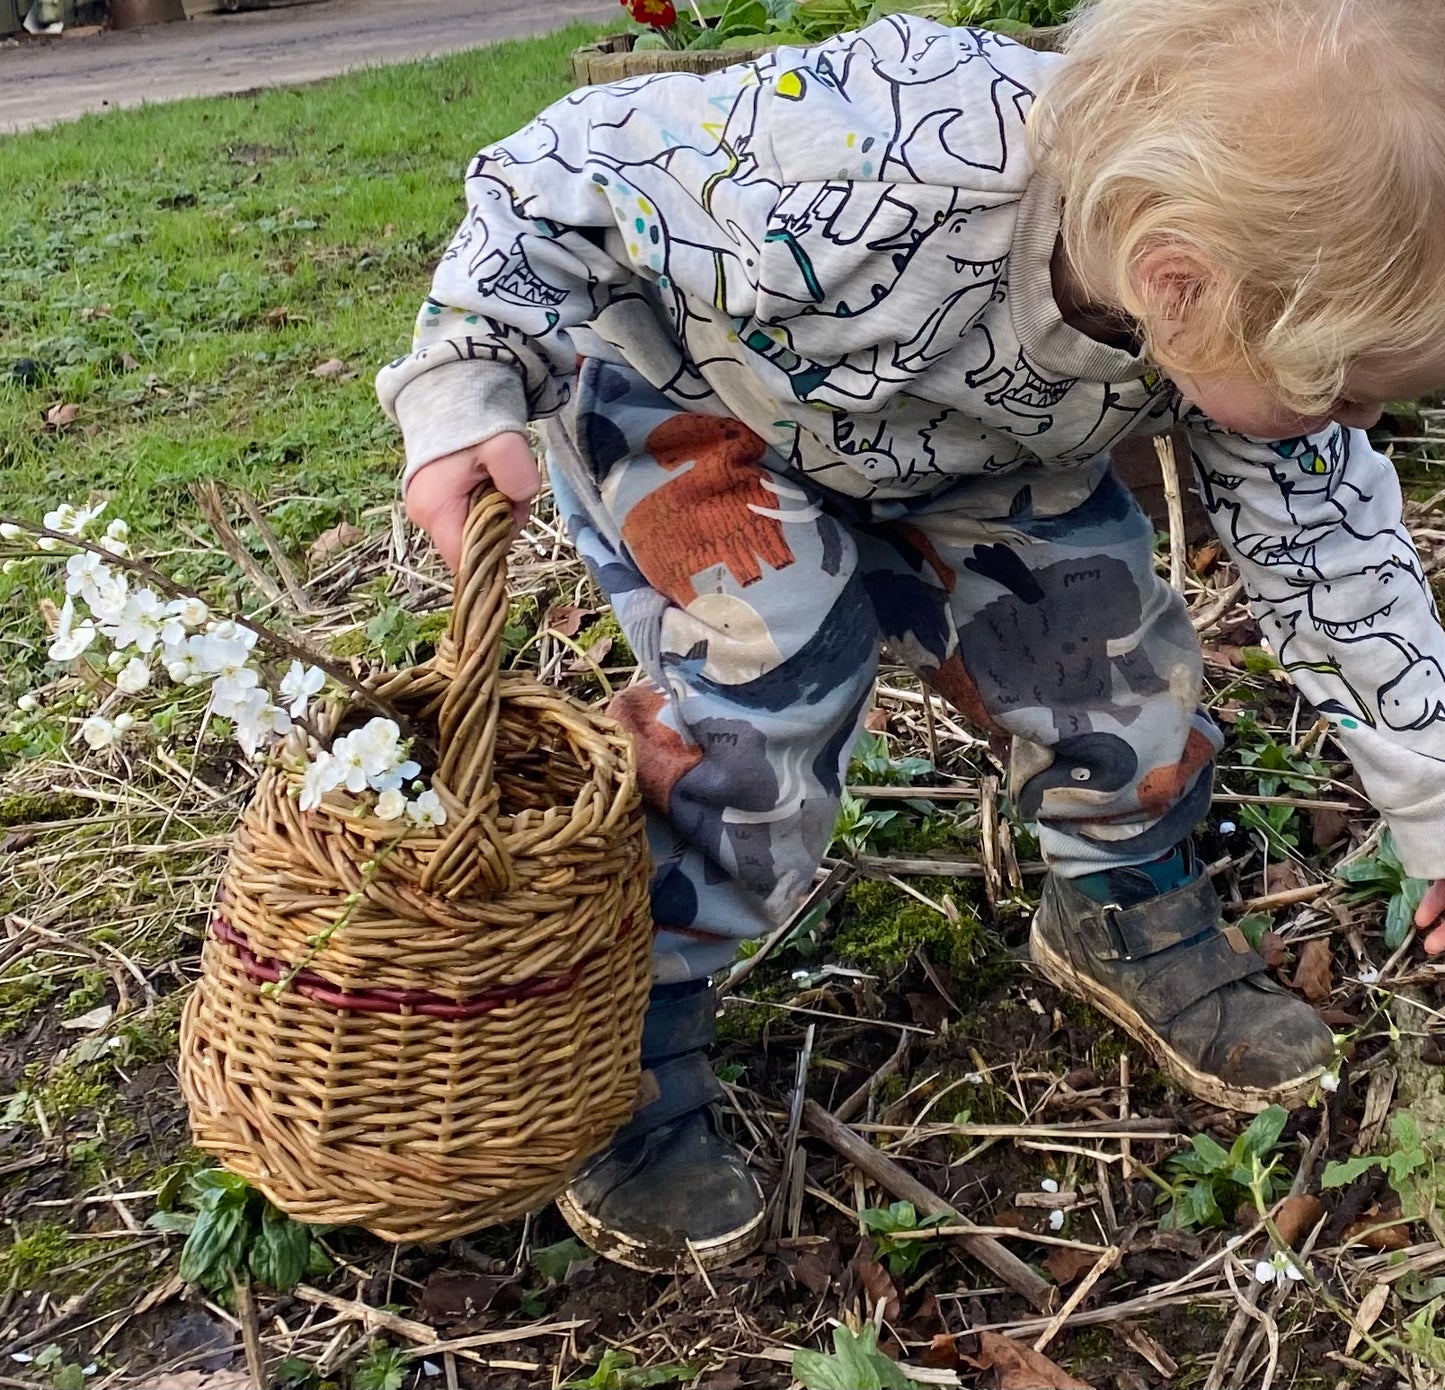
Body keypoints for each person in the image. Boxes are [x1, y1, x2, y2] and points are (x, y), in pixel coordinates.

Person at [377, 0, 1445, 1273]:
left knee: (1103, 653)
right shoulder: (864, 162)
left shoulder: (1225, 287)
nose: (1356, 419)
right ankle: (621, 1022)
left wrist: (1436, 812)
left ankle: (1116, 899)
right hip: (698, 400)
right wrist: (464, 377)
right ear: (1177, 279)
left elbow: (1336, 563)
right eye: (1350, 390)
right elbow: (555, 178)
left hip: (971, 447)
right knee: (760, 710)